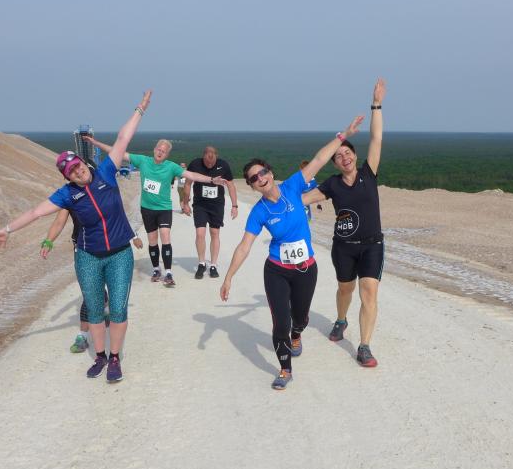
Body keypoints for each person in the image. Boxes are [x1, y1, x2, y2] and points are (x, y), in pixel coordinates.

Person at [0, 90, 152, 383]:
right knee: (94, 309)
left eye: (77, 166)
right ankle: (99, 356)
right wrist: (7, 229)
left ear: (83, 163)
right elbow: (36, 212)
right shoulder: (67, 195)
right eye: (71, 172)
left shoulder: (106, 172)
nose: (77, 172)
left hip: (119, 254)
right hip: (88, 258)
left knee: (117, 309)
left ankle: (115, 358)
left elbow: (122, 139)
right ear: (67, 177)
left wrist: (139, 110)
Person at [220, 115, 364, 390]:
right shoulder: (259, 211)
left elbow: (319, 159)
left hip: (306, 269)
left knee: (300, 319)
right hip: (276, 270)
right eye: (254, 178)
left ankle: (297, 333)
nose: (260, 178)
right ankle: (285, 369)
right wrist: (228, 277)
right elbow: (244, 245)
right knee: (280, 323)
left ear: (270, 172)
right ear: (251, 185)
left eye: (263, 173)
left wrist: (343, 135)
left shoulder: (293, 185)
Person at [302, 78, 386, 367]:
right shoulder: (332, 184)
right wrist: (274, 195)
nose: (344, 157)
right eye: (339, 156)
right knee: (345, 289)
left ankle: (364, 346)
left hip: (372, 245)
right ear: (335, 163)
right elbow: (304, 199)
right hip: (344, 247)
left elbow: (376, 139)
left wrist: (376, 105)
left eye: (348, 152)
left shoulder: (368, 173)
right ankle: (341, 319)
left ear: (355, 156)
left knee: (369, 292)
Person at [84, 138, 226, 287]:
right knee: (152, 240)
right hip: (147, 209)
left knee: (165, 236)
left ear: (167, 154)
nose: (160, 153)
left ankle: (168, 272)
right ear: (154, 149)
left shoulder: (171, 167)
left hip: (164, 209)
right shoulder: (142, 161)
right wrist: (95, 143)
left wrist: (211, 180)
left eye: (164, 151)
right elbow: (118, 152)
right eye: (159, 149)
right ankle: (156, 269)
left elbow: (192, 175)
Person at [41, 207, 143, 353]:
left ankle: (99, 319)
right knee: (90, 296)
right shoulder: (70, 197)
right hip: (85, 251)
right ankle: (83, 335)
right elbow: (59, 221)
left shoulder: (103, 192)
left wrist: (133, 236)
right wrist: (48, 241)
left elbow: (118, 214)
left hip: (112, 250)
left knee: (104, 293)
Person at [180, 146, 239, 279]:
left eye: (212, 163)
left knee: (214, 233)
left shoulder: (223, 165)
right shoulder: (195, 164)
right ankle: (201, 263)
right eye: (207, 163)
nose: (210, 165)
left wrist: (234, 205)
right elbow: (188, 184)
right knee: (200, 233)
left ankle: (213, 264)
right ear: (203, 156)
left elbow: (231, 185)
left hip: (216, 205)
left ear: (216, 156)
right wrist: (185, 203)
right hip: (200, 204)